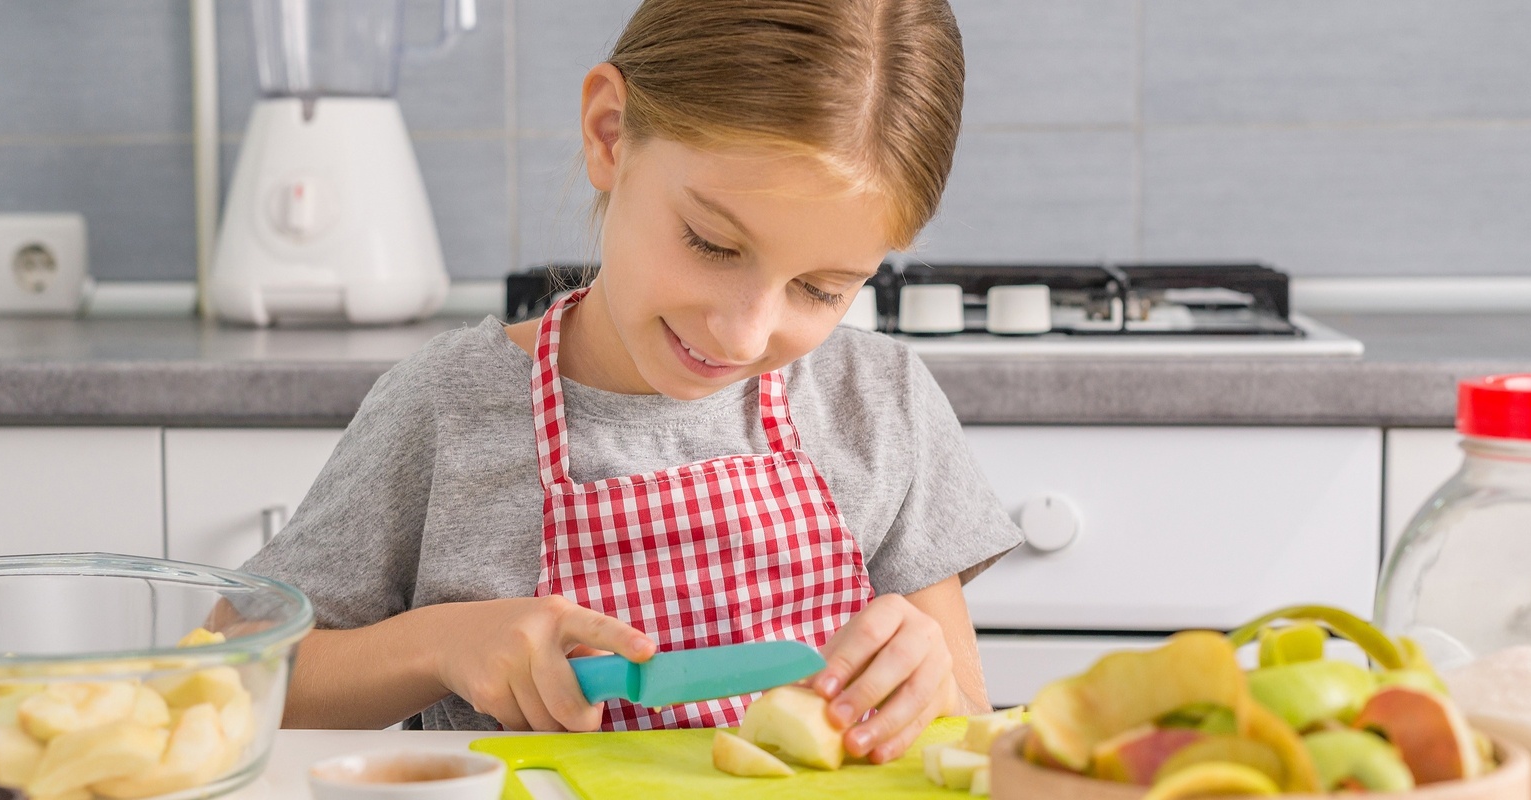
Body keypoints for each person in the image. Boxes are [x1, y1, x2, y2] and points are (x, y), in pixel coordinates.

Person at [241, 0, 1021, 765]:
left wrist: (931, 687)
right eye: (712, 244)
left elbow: (968, 725)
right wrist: (438, 644)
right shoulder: (449, 407)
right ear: (609, 133)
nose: (743, 333)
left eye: (820, 290)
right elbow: (243, 675)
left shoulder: (880, 403)